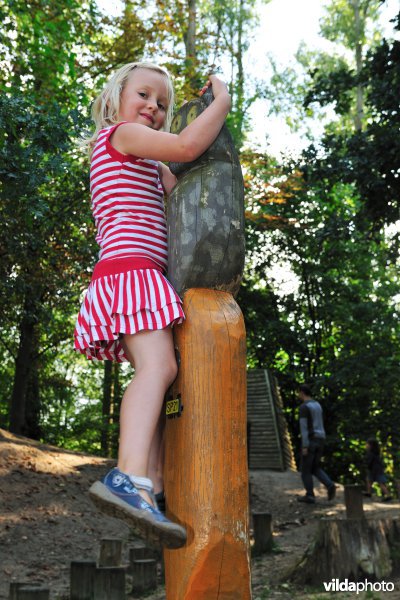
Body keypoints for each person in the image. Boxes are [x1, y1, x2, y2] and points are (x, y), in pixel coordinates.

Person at [73, 62, 231, 548]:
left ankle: (153, 486)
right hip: (130, 271)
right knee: (157, 369)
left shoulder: (145, 160)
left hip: (141, 276)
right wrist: (221, 102)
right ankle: (128, 477)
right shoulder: (120, 137)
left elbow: (178, 183)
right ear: (116, 100)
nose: (154, 109)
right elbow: (187, 146)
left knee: (160, 374)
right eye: (144, 95)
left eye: (162, 105)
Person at [297, 383, 336, 504]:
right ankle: (329, 485)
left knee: (305, 471)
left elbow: (304, 428)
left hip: (311, 440)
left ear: (302, 393)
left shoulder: (304, 407)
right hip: (321, 439)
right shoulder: (317, 405)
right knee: (315, 467)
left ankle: (310, 495)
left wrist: (305, 445)